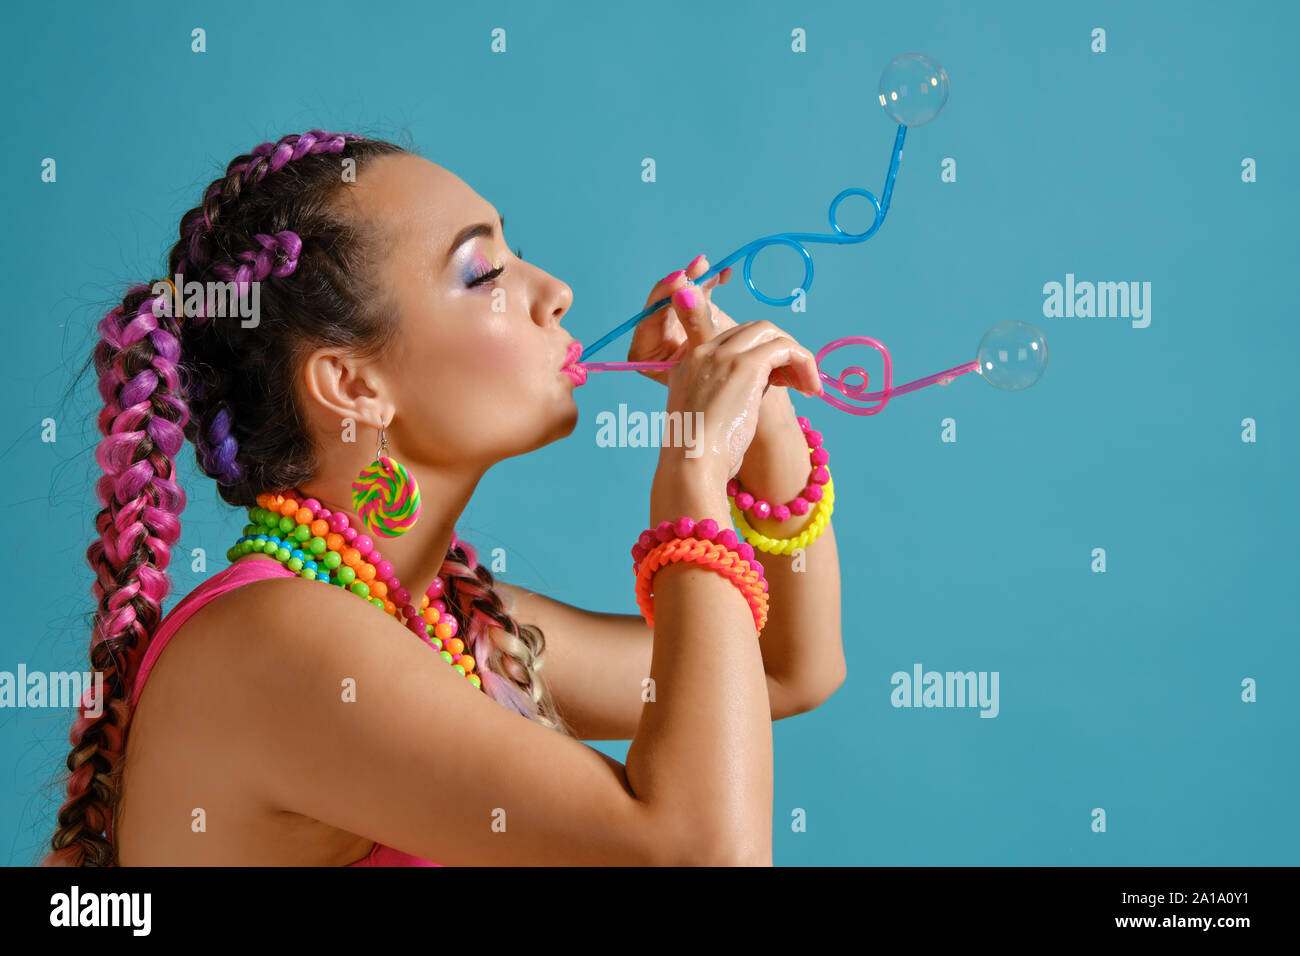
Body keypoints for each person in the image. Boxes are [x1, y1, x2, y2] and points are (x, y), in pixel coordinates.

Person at [44, 130, 845, 866]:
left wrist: (765, 437)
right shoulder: (274, 642)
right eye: (485, 273)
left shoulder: (445, 622)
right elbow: (700, 852)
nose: (557, 291)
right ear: (352, 384)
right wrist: (693, 478)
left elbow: (784, 670)